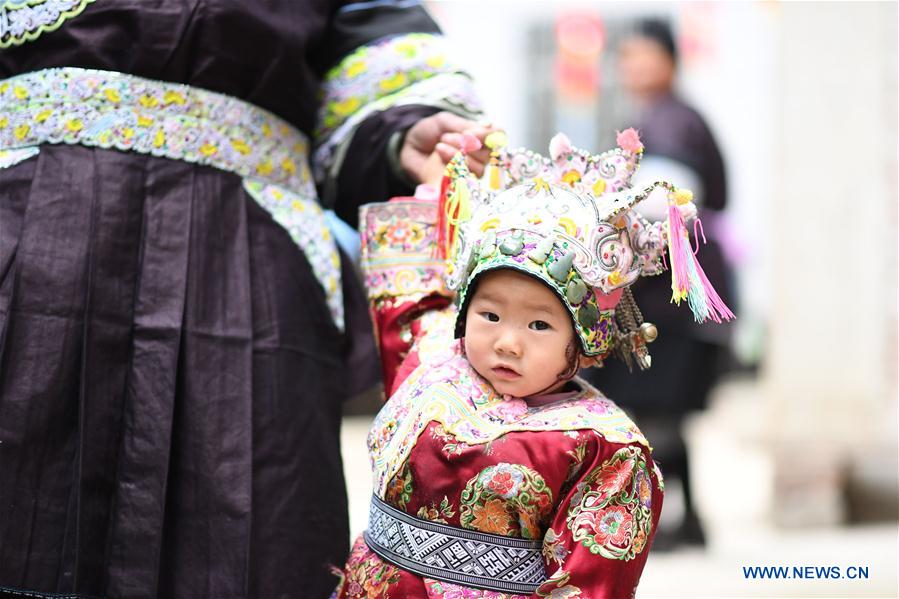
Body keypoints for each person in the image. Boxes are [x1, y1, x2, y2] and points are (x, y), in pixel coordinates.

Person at [0, 2, 494, 597]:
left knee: (250, 537)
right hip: (27, 237)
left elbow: (378, 54)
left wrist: (403, 130)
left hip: (248, 268)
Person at [332, 129, 731, 597]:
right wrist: (432, 184)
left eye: (539, 326)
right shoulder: (436, 357)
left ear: (586, 341)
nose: (507, 342)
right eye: (490, 314)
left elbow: (587, 586)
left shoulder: (605, 447)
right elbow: (410, 296)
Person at [583, 17, 737, 549]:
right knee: (660, 408)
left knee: (654, 407)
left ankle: (667, 521)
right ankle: (687, 520)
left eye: (643, 56)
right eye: (626, 58)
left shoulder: (672, 121)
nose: (634, 67)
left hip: (670, 290)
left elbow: (672, 194)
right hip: (664, 287)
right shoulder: (659, 117)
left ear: (670, 60)